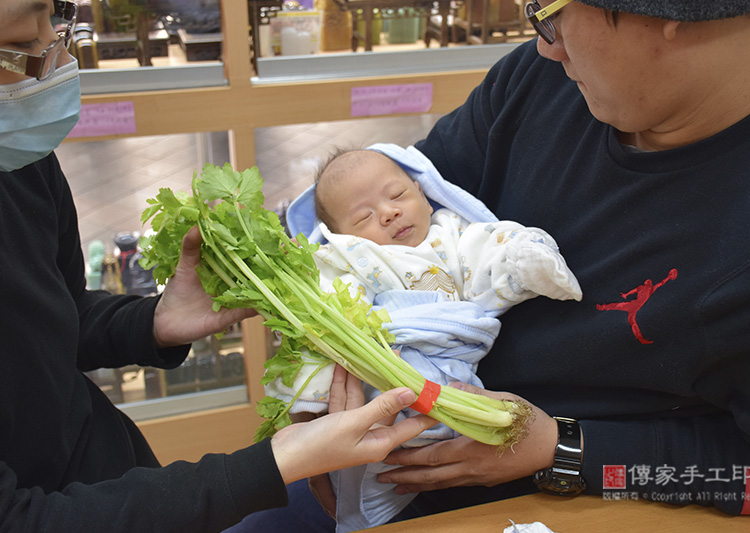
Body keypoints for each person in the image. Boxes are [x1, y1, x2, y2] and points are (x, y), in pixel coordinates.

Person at [235, 1, 750, 529]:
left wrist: (564, 448)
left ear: (667, 11)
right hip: (374, 459)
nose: (546, 43)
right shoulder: (541, 82)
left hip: (549, 503)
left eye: (550, 9)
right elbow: (389, 224)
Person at [0, 1, 438, 531]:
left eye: (57, 20)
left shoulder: (20, 160)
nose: (55, 59)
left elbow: (57, 317)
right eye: (24, 45)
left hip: (113, 472)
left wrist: (154, 321)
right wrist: (277, 462)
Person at [265, 143, 582, 531]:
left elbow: (490, 252)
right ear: (338, 236)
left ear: (425, 195)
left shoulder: (450, 234)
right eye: (363, 216)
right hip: (390, 373)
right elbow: (327, 319)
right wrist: (308, 406)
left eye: (397, 195)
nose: (388, 212)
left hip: (456, 368)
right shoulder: (347, 258)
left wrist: (524, 258)